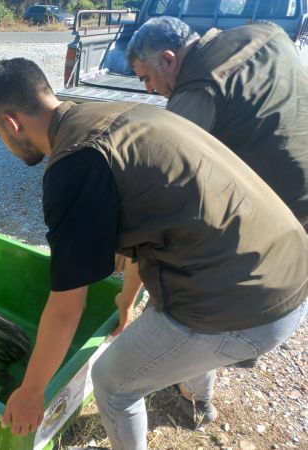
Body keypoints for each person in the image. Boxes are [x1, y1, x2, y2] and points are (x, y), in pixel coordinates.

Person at [0, 58, 308, 449]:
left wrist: (32, 391)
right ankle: (198, 398)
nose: (3, 142)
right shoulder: (116, 116)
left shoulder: (75, 165)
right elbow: (144, 223)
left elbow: (67, 307)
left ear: (11, 123)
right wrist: (128, 299)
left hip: (248, 306)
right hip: (286, 268)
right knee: (167, 314)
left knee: (113, 383)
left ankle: (192, 389)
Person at [125, 16, 308, 370]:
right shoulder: (267, 32)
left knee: (205, 278)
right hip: (301, 183)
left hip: (280, 203)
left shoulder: (196, 91)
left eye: (146, 78)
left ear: (168, 59)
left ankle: (217, 349)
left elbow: (160, 189)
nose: (148, 90)